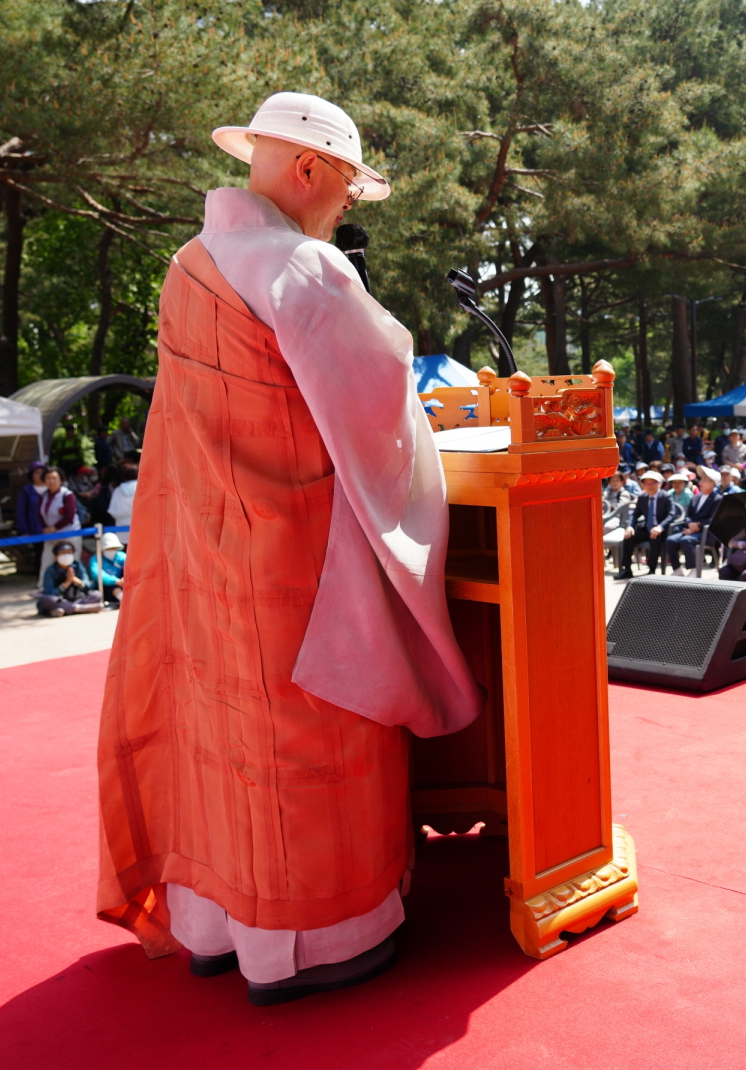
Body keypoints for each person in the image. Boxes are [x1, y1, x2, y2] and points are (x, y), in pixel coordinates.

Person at [97, 92, 480, 1006]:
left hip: (211, 553)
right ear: (309, 170)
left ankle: (221, 929)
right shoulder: (303, 268)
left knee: (221, 741)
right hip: (303, 562)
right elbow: (375, 416)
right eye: (347, 188)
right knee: (314, 740)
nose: (345, 208)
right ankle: (324, 937)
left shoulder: (188, 267)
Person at [615, 470, 679, 579]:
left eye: (653, 483)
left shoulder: (665, 496)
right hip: (646, 528)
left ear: (659, 483)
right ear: (643, 485)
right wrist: (630, 526)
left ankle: (651, 570)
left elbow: (672, 514)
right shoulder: (642, 498)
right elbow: (634, 515)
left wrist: (660, 527)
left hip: (661, 530)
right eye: (647, 483)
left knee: (654, 536)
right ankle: (627, 568)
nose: (650, 486)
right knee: (629, 536)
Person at [667, 470, 720, 574]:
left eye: (705, 480)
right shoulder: (695, 497)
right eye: (702, 479)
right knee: (671, 540)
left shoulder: (717, 499)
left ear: (713, 483)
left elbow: (713, 519)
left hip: (706, 533)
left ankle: (694, 570)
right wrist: (690, 524)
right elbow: (688, 515)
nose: (701, 482)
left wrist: (696, 528)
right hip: (691, 530)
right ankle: (677, 569)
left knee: (686, 540)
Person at [36, 539, 104, 616]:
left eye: (69, 552)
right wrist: (66, 583)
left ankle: (65, 610)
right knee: (46, 600)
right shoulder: (50, 570)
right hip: (60, 600)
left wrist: (75, 580)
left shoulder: (78, 566)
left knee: (97, 594)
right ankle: (80, 609)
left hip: (77, 599)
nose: (66, 555)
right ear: (56, 556)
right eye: (63, 553)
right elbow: (49, 592)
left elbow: (88, 587)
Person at [86, 531, 128, 605]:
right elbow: (96, 574)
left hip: (124, 585)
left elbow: (130, 569)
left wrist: (125, 579)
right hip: (104, 588)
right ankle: (125, 602)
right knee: (113, 588)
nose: (111, 550)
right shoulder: (96, 558)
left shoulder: (122, 556)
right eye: (109, 548)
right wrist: (115, 581)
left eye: (114, 548)